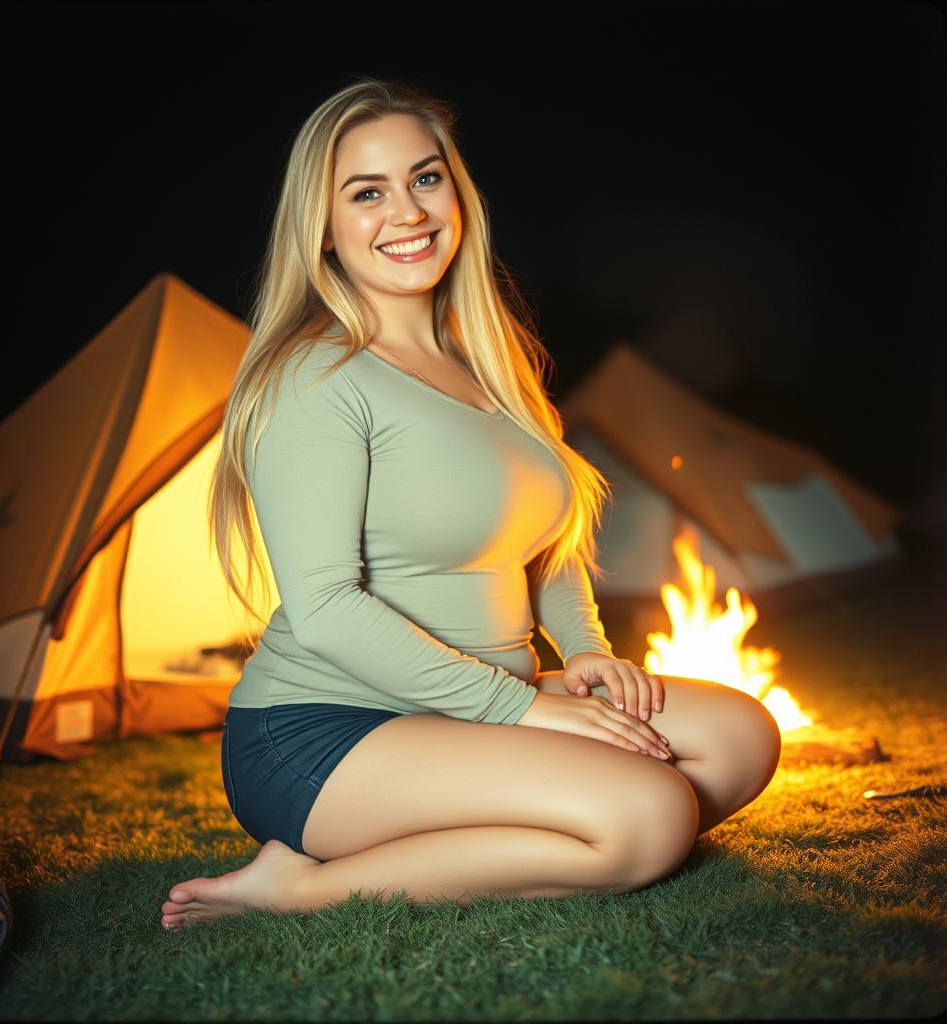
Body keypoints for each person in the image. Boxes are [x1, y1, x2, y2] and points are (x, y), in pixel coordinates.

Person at [160, 78, 781, 929]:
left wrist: (586, 650)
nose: (407, 212)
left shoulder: (491, 365)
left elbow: (544, 547)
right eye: (366, 193)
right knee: (653, 814)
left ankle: (518, 818)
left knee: (743, 737)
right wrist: (528, 711)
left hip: (487, 700)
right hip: (327, 731)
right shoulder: (315, 376)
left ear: (458, 191)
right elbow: (329, 607)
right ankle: (297, 886)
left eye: (425, 178)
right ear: (324, 228)